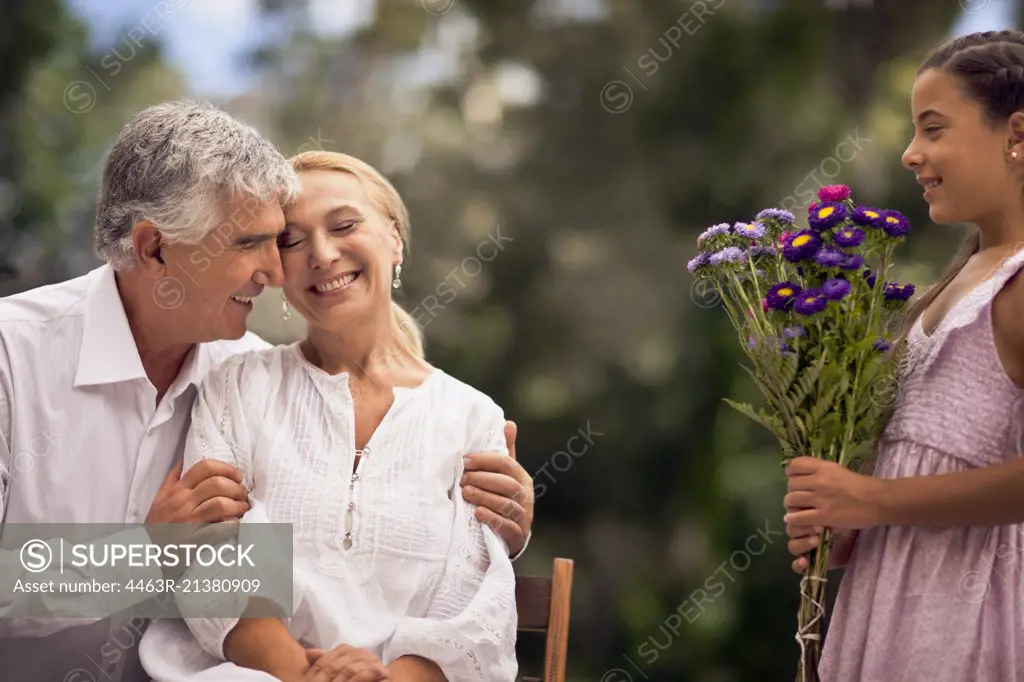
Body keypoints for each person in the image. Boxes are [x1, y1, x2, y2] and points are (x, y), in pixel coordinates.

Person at [0, 101, 534, 682]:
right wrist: (142, 552)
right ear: (154, 248)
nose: (277, 273)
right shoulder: (14, 355)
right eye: (253, 243)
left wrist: (499, 524)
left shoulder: (248, 373)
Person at [139, 150, 519, 682]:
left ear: (394, 240)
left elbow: (473, 603)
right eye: (292, 240)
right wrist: (302, 675)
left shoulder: (472, 419)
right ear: (277, 271)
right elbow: (212, 562)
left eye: (344, 225)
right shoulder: (237, 385)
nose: (322, 254)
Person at [783, 30, 1024, 681]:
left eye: (934, 129)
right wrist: (851, 523)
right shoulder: (961, 279)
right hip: (889, 610)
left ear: (1018, 134)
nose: (911, 153)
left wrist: (873, 501)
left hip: (965, 629)